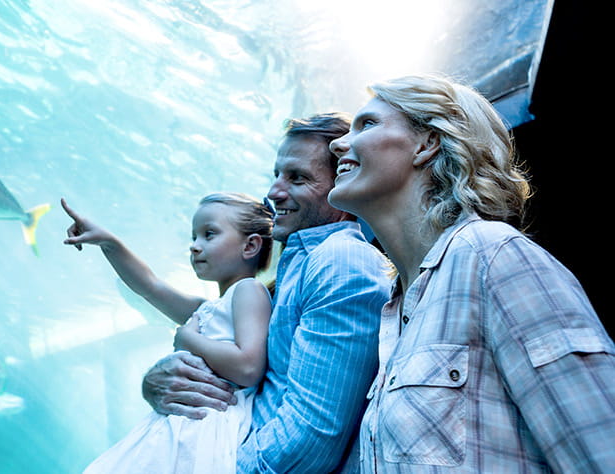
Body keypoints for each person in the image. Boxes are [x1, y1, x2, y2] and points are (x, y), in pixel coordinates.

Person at [327, 73, 615, 472]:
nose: (337, 143)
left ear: (426, 144)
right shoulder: (395, 310)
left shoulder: (494, 254)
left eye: (368, 123)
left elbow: (600, 447)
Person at [141, 113, 392, 472]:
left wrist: (218, 466)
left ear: (345, 183)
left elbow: (311, 438)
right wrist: (159, 383)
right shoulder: (297, 268)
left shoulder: (341, 261)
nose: (274, 192)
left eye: (298, 177)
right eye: (277, 175)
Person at [62, 192, 275, 473]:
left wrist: (188, 340)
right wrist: (108, 243)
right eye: (194, 237)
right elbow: (151, 287)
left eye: (209, 235)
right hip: (189, 418)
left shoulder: (249, 290)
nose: (195, 246)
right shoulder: (210, 307)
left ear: (250, 246)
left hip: (208, 424)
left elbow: (248, 367)